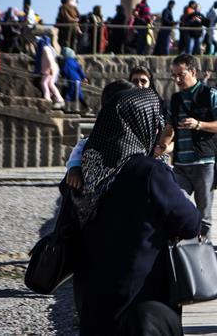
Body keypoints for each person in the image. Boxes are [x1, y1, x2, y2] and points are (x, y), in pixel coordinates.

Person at [72, 86, 200, 336]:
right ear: (144, 125)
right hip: (141, 303)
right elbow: (190, 223)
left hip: (92, 299)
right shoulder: (149, 172)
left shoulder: (86, 168)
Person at [154, 54, 217, 240]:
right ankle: (184, 242)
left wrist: (199, 124)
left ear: (193, 71)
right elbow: (169, 128)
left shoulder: (210, 95)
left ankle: (204, 252)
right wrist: (161, 145)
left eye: (181, 74)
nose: (177, 79)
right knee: (175, 203)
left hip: (204, 163)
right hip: (180, 164)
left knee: (204, 214)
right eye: (174, 75)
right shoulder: (176, 99)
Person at [36, 35, 64, 108]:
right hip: (50, 68)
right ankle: (58, 99)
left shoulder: (45, 48)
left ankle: (48, 99)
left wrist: (51, 68)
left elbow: (50, 59)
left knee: (44, 83)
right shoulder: (50, 47)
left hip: (50, 69)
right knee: (50, 83)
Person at [59, 47, 89, 113]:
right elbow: (79, 70)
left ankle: (68, 108)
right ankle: (86, 107)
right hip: (77, 79)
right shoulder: (75, 62)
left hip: (71, 80)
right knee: (78, 94)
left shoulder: (66, 61)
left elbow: (65, 70)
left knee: (68, 93)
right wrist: (84, 78)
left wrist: (63, 76)